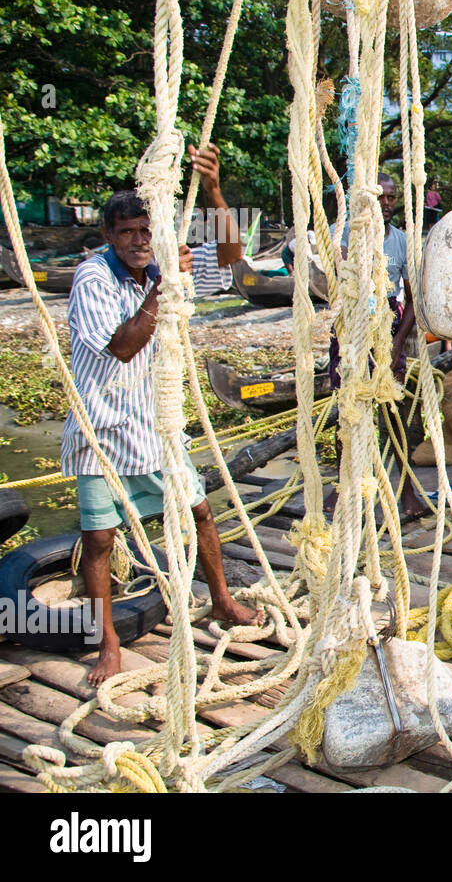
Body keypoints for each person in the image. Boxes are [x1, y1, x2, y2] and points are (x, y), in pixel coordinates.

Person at [63, 144, 262, 686]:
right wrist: (161, 284)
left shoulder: (163, 265)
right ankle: (107, 643)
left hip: (155, 426)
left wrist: (216, 191)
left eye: (146, 232)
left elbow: (230, 262)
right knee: (101, 539)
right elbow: (123, 346)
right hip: (102, 428)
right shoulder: (94, 279)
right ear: (109, 236)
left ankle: (220, 599)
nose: (139, 241)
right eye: (127, 233)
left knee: (199, 512)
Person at [321, 173, 421, 519]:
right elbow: (337, 288)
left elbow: (412, 300)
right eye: (382, 198)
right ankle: (342, 486)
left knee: (392, 410)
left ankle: (406, 488)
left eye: (392, 198)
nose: (388, 204)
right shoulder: (345, 236)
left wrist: (395, 346)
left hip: (388, 324)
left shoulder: (403, 242)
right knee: (347, 406)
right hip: (350, 328)